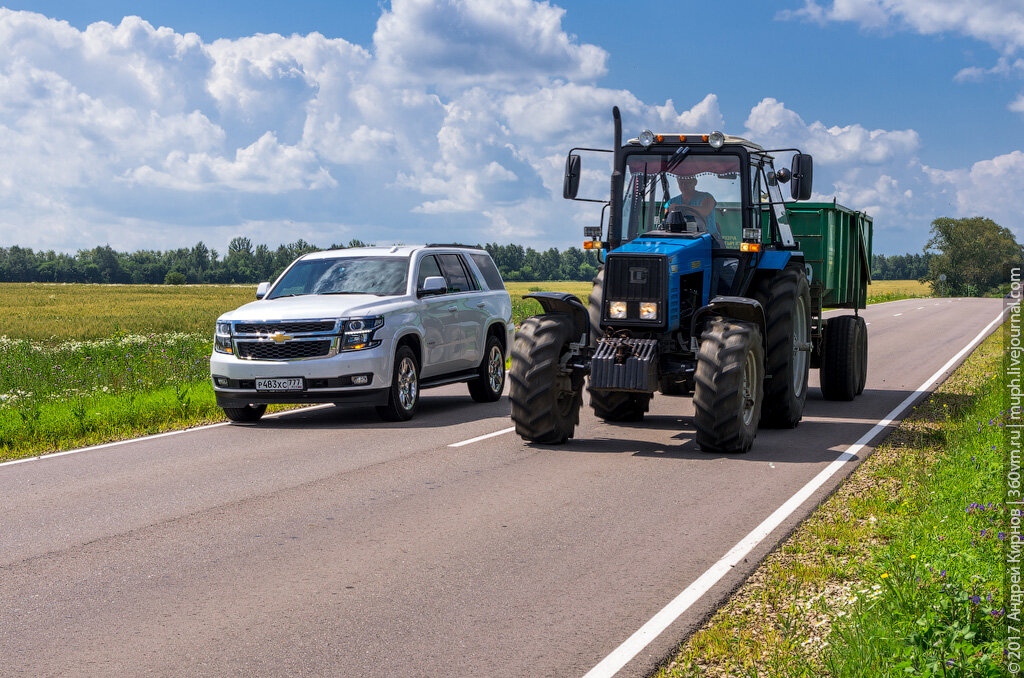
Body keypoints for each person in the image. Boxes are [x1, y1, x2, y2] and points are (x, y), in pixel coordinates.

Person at [663, 175, 718, 240]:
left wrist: (681, 207)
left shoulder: (707, 197)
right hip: (680, 240)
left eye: (687, 183)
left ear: (695, 182)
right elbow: (666, 221)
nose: (684, 186)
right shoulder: (671, 202)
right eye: (681, 183)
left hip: (709, 239)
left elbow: (704, 211)